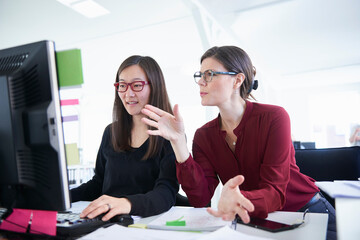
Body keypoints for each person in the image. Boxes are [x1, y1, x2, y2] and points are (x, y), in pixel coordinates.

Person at [141, 46, 336, 240]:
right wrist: (178, 143)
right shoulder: (203, 136)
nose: (200, 82)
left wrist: (238, 200)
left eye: (209, 74)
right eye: (200, 75)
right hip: (254, 220)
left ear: (237, 79)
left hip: (306, 213)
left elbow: (275, 192)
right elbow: (200, 199)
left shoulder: (274, 117)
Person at [71, 55, 179, 221]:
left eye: (136, 85)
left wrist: (127, 203)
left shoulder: (170, 135)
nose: (128, 94)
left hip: (143, 222)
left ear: (154, 87)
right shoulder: (111, 132)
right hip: (108, 220)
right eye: (122, 85)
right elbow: (98, 184)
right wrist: (62, 197)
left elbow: (166, 193)